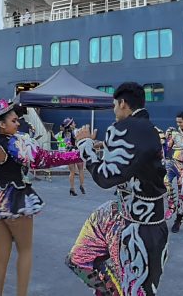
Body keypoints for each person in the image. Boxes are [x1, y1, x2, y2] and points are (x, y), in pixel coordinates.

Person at [0, 99, 83, 296]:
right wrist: (80, 154)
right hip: (16, 200)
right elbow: (45, 159)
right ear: (2, 124)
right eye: (14, 120)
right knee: (25, 251)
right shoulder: (14, 143)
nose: (18, 123)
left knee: (0, 258)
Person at [67, 82, 169, 296]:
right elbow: (135, 161)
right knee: (81, 259)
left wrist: (85, 145)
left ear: (123, 103)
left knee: (133, 289)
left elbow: (105, 178)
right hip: (135, 220)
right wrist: (102, 146)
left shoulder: (123, 129)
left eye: (114, 105)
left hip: (137, 230)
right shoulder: (150, 129)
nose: (114, 111)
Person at [57, 117, 85, 196]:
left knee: (72, 171)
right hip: (76, 152)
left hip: (68, 153)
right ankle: (82, 186)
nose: (75, 124)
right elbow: (77, 141)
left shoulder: (63, 133)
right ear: (70, 125)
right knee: (81, 170)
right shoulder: (75, 132)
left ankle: (72, 188)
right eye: (73, 123)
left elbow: (64, 144)